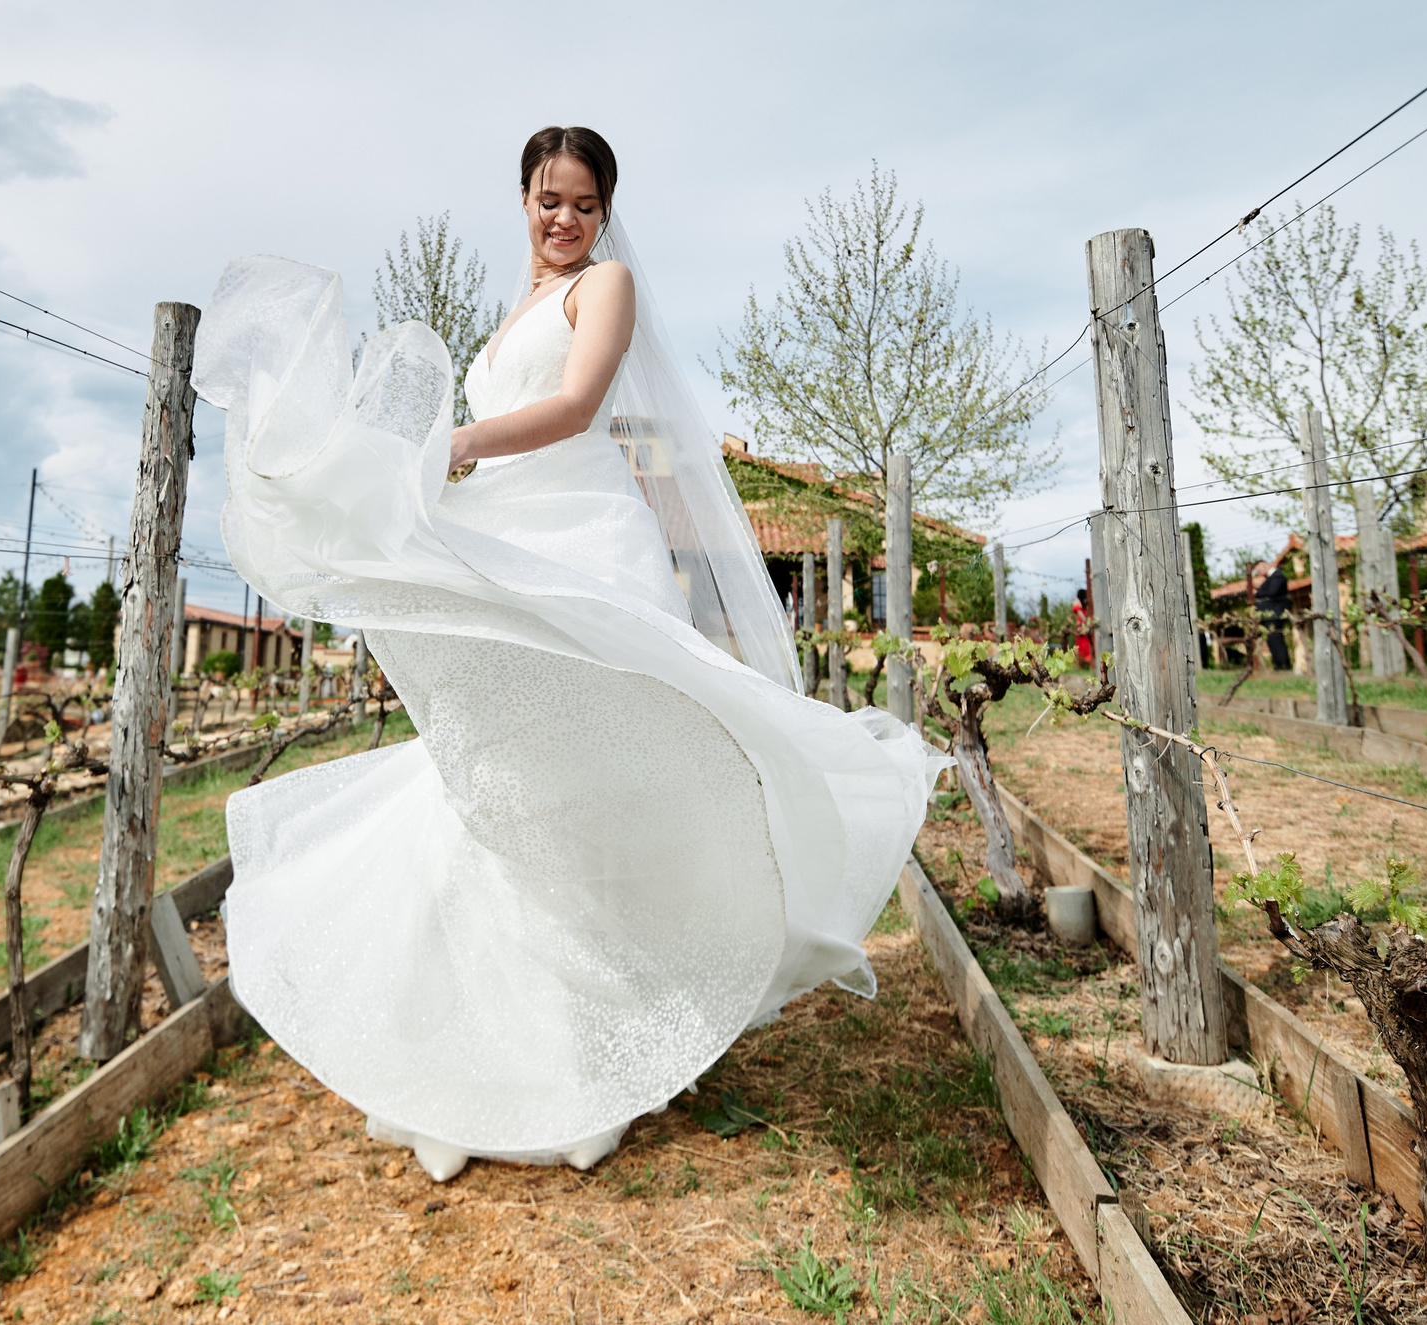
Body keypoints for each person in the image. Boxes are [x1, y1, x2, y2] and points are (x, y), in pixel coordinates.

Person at [194, 126, 941, 1185]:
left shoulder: (608, 285)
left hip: (582, 536)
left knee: (595, 787)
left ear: (603, 210)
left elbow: (577, 406)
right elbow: (510, 402)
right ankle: (485, 1053)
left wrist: (454, 443)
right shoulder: (510, 317)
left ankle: (602, 1045)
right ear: (523, 199)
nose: (564, 218)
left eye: (583, 202)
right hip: (509, 527)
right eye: (549, 199)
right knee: (502, 784)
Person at [1255, 564, 1293, 671]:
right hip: (1271, 615)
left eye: (1258, 570)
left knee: (1276, 640)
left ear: (1264, 566)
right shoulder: (1273, 578)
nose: (1258, 574)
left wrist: (1257, 592)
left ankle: (1283, 665)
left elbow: (1272, 592)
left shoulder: (1277, 577)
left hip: (1274, 614)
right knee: (1272, 640)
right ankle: (1278, 664)